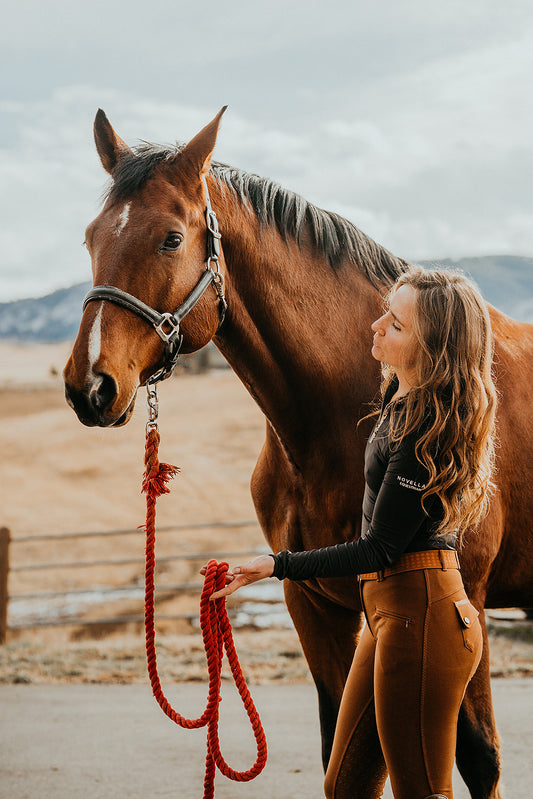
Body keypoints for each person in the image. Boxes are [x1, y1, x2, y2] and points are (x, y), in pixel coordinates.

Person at [202, 265, 497, 799]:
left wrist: (277, 565)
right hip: (390, 616)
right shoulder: (400, 401)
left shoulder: (426, 433)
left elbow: (379, 548)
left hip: (423, 617)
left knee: (422, 792)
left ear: (432, 349)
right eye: (386, 312)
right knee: (344, 787)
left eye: (397, 324)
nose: (376, 325)